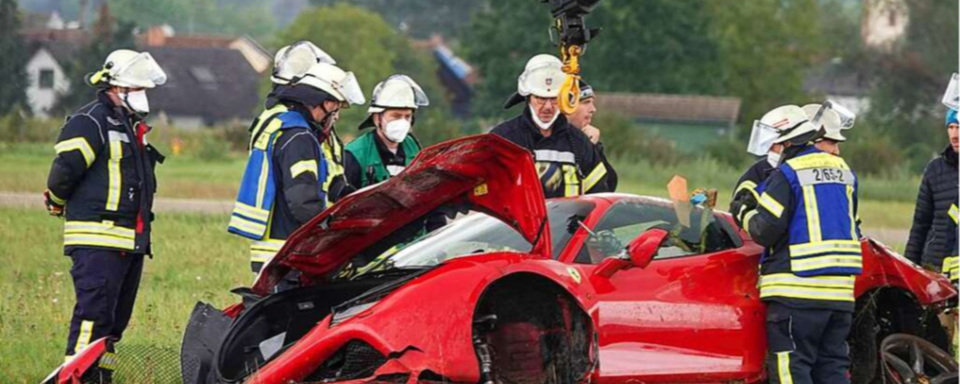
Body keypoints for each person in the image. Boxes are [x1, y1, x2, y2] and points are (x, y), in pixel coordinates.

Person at [43, 49, 167, 380]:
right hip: (97, 239)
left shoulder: (132, 128)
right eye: (138, 90)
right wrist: (55, 201)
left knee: (114, 326)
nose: (144, 97)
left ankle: (101, 376)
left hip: (130, 241)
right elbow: (64, 171)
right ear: (117, 88)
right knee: (93, 316)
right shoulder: (91, 120)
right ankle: (76, 376)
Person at [735, 104, 861, 384]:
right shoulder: (843, 170)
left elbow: (765, 230)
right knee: (832, 368)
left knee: (792, 368)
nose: (772, 151)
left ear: (787, 142)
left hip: (796, 293)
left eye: (775, 144)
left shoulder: (787, 174)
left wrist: (743, 213)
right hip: (840, 296)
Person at [228, 62, 365, 275]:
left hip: (271, 249)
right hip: (287, 252)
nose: (336, 116)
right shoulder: (300, 137)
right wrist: (329, 232)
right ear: (324, 102)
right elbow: (303, 200)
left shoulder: (284, 127)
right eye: (336, 107)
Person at [492, 54, 610, 198]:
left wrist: (596, 148)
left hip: (568, 221)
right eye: (541, 98)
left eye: (554, 99)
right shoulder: (503, 139)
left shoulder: (580, 143)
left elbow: (602, 195)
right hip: (516, 221)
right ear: (528, 97)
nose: (548, 107)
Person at [248, 42, 351, 205]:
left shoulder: (279, 120)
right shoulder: (296, 131)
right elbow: (302, 196)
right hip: (292, 224)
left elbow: (330, 176)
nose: (336, 115)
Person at [343, 74, 429, 190]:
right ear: (376, 118)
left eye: (407, 116)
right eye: (396, 116)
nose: (402, 122)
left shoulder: (413, 147)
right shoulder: (355, 153)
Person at [904, 108, 960, 271]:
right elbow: (921, 223)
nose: (955, 135)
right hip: (934, 265)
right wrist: (909, 266)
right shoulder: (934, 170)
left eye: (959, 127)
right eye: (951, 128)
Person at [563, 79, 618, 191]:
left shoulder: (585, 141)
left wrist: (593, 147)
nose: (593, 109)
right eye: (586, 102)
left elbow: (607, 187)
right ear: (565, 106)